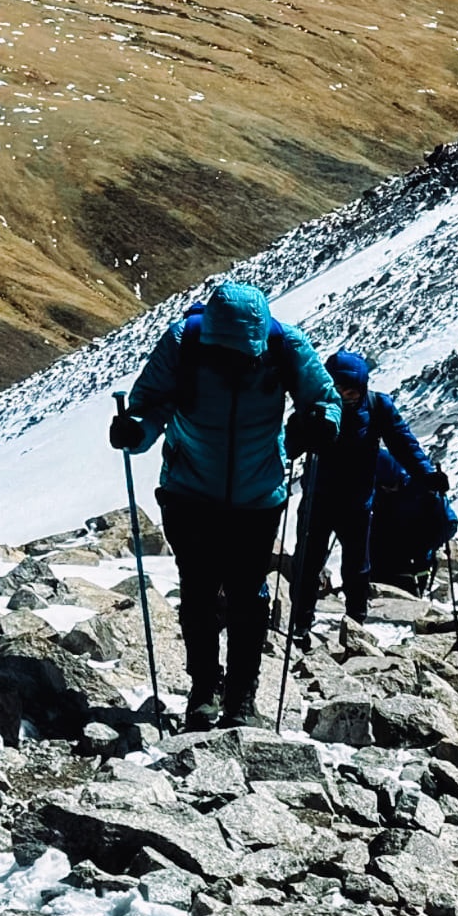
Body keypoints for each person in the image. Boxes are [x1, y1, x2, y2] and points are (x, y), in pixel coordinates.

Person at [109, 276, 338, 726]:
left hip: (253, 496)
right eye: (225, 354)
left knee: (246, 597)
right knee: (199, 591)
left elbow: (325, 398)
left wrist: (321, 423)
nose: (234, 362)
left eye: (242, 355)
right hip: (192, 491)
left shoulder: (285, 345)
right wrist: (134, 433)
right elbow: (149, 406)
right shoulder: (183, 341)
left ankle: (238, 696)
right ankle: (204, 690)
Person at [289, 346, 438, 640]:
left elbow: (403, 443)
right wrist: (306, 428)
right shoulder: (316, 407)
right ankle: (301, 623)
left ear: (363, 387)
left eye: (352, 391)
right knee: (308, 563)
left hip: (354, 501)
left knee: (356, 565)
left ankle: (355, 622)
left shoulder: (377, 407)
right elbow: (290, 445)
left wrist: (427, 475)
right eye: (340, 389)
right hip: (319, 499)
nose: (346, 397)